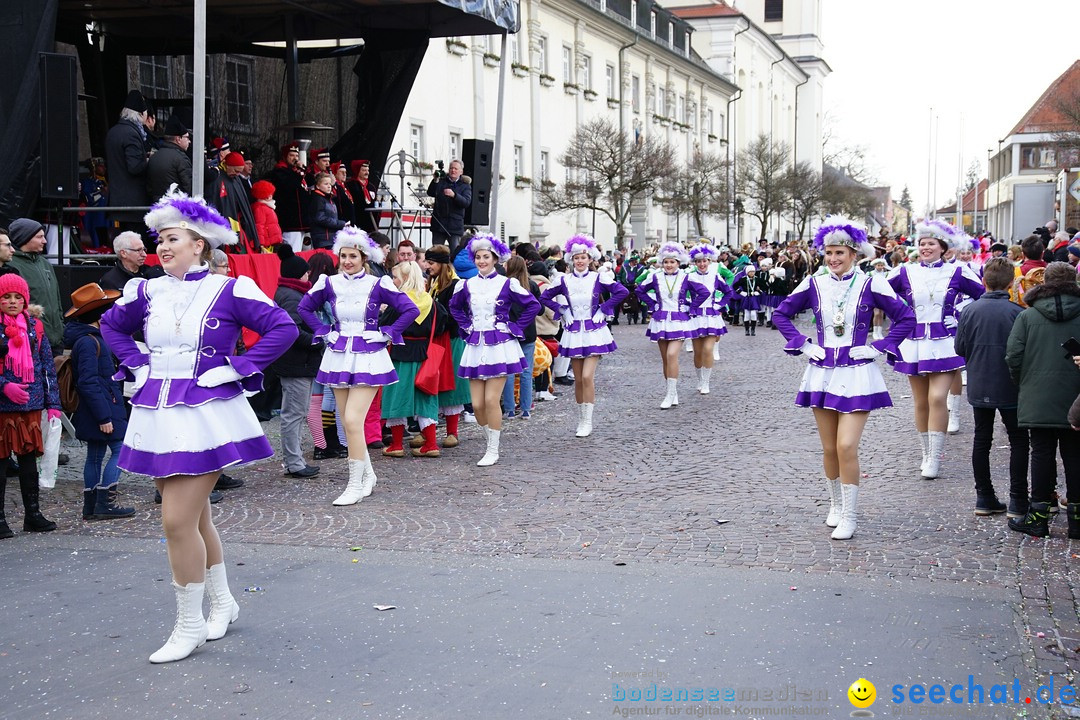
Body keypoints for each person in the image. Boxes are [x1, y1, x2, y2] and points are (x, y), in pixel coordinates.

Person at [100, 188, 297, 663]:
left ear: (199, 245)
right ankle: (223, 602)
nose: (163, 247)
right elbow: (109, 325)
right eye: (159, 240)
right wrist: (138, 362)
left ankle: (189, 623)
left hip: (207, 413)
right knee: (196, 516)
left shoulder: (229, 289)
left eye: (173, 239)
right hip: (158, 408)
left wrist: (239, 366)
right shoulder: (146, 289)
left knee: (175, 520)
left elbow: (284, 328)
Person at [774, 217, 916, 540]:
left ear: (854, 254)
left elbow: (906, 317)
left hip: (856, 372)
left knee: (846, 445)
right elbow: (780, 313)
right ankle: (835, 505)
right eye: (828, 253)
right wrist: (803, 344)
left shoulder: (871, 283)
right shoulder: (814, 282)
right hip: (822, 371)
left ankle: (851, 515)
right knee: (829, 448)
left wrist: (879, 347)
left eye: (839, 252)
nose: (833, 259)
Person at [297, 227, 420, 505]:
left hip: (369, 356)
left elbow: (411, 309)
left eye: (353, 255)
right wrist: (324, 331)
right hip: (339, 354)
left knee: (353, 420)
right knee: (347, 420)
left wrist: (385, 332)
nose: (347, 261)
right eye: (343, 256)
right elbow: (304, 308)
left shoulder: (378, 283)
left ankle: (354, 483)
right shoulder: (329, 283)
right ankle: (369, 475)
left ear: (363, 257)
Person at [887, 219, 984, 479]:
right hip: (914, 342)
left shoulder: (958, 271)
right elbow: (880, 294)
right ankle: (926, 454)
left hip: (944, 342)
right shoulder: (904, 272)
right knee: (920, 401)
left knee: (937, 398)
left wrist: (960, 314)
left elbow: (983, 295)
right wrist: (901, 314)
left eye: (931, 243)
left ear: (943, 247)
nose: (925, 247)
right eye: (922, 244)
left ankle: (936, 458)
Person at [448, 234, 541, 466]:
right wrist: (466, 326)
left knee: (491, 400)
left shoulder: (507, 283)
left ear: (495, 259)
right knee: (477, 404)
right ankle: (489, 437)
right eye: (478, 257)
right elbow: (454, 307)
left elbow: (533, 305)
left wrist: (515, 327)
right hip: (475, 346)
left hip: (500, 346)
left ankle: (493, 448)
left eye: (485, 257)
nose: (481, 261)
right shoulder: (466, 284)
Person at [1005, 262, 1080, 538]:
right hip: (1076, 396)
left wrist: (1024, 382)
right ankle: (1076, 519)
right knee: (1075, 455)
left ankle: (1038, 517)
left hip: (1038, 393)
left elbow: (1013, 356)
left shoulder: (1028, 316)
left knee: (1041, 453)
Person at [952, 257, 1027, 518]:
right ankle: (1018, 499)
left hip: (980, 380)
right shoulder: (1017, 312)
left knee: (982, 439)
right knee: (1018, 440)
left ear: (984, 281)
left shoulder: (970, 311)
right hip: (1010, 384)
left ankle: (984, 495)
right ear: (1010, 283)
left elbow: (960, 348)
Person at [539, 235, 627, 435]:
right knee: (578, 379)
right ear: (571, 259)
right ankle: (581, 418)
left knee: (587, 376)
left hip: (594, 332)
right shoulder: (564, 280)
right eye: (577, 257)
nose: (580, 261)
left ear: (590, 259)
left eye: (584, 257)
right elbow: (544, 296)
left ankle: (588, 420)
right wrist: (562, 310)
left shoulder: (599, 277)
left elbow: (621, 292)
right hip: (573, 332)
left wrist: (604, 308)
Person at [63, 283, 134, 521]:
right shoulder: (89, 342)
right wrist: (104, 416)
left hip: (99, 405)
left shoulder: (89, 338)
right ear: (99, 315)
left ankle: (92, 506)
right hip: (103, 407)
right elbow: (89, 382)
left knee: (94, 453)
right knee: (120, 450)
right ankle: (105, 501)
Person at [0, 274, 62, 539]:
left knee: (28, 462)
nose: (12, 302)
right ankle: (0, 519)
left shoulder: (35, 327)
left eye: (18, 297)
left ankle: (32, 514)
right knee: (1, 464)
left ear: (25, 300)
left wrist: (53, 403)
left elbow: (47, 365)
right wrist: (4, 385)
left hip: (31, 404)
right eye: (6, 297)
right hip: (3, 406)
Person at [635, 242, 710, 409]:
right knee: (665, 359)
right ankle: (672, 391)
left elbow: (704, 292)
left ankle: (669, 395)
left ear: (678, 262)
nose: (669, 265)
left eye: (672, 262)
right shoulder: (655, 276)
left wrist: (691, 307)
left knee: (671, 355)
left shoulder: (686, 277)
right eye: (666, 262)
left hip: (679, 320)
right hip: (661, 320)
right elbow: (640, 290)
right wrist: (652, 304)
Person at [381, 261, 443, 458]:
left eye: (396, 277)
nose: (393, 281)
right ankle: (431, 444)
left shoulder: (398, 302)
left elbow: (384, 325)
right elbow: (442, 325)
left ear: (406, 278)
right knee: (426, 398)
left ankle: (397, 445)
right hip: (425, 355)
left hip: (400, 354)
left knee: (396, 397)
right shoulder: (431, 303)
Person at [271, 245, 322, 479]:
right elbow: (292, 331)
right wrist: (318, 341)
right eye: (305, 273)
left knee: (296, 413)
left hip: (298, 363)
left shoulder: (290, 293)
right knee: (294, 414)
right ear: (297, 275)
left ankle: (295, 460)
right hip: (296, 364)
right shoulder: (291, 297)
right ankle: (294, 463)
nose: (308, 276)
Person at [424, 245, 471, 447]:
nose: (428, 266)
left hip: (451, 340)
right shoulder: (433, 283)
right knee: (432, 384)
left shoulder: (455, 285)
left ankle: (452, 431)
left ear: (442, 264)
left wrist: (438, 321)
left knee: (452, 386)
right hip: (436, 340)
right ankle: (429, 430)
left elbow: (457, 316)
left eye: (431, 263)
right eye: (427, 262)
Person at [7, 219, 64, 352]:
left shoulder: (46, 264)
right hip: (32, 340)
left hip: (57, 340)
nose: (44, 241)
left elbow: (57, 300)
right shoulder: (11, 266)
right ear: (24, 239)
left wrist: (61, 327)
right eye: (39, 237)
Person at [104, 90, 152, 245]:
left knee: (122, 244)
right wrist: (149, 159)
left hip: (119, 200)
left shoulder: (114, 131)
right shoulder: (131, 133)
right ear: (140, 113)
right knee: (135, 245)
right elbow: (135, 167)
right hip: (133, 204)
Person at [686, 243, 733, 395]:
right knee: (698, 352)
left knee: (708, 350)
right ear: (695, 262)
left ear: (710, 261)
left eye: (704, 261)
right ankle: (699, 379)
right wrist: (687, 305)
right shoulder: (689, 277)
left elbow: (728, 292)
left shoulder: (715, 276)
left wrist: (720, 304)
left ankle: (706, 382)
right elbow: (682, 295)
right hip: (696, 317)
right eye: (699, 261)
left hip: (712, 316)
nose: (702, 264)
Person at [501, 255, 542, 421]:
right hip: (528, 332)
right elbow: (540, 309)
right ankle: (526, 409)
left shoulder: (504, 285)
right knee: (526, 372)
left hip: (509, 332)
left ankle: (509, 410)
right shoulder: (531, 285)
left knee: (509, 372)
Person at [208, 154, 260, 253]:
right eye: (236, 171)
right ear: (227, 165)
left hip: (237, 225)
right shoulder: (216, 177)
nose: (237, 174)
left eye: (239, 172)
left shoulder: (236, 179)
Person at [268, 143, 309, 252]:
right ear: (285, 156)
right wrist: (299, 172)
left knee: (299, 253)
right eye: (291, 155)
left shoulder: (295, 172)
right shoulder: (280, 171)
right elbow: (290, 185)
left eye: (296, 156)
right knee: (292, 252)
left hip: (300, 223)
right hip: (290, 222)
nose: (295, 159)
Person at [427, 160, 472, 253]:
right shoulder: (442, 181)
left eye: (456, 169)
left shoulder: (465, 186)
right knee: (436, 253)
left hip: (454, 226)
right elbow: (431, 193)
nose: (453, 170)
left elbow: (466, 202)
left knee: (455, 253)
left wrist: (454, 195)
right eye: (451, 168)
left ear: (461, 172)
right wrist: (435, 180)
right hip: (439, 225)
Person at [99, 231, 164, 291]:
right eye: (138, 250)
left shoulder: (152, 273)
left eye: (144, 249)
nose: (144, 255)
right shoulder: (110, 281)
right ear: (123, 253)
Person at [146, 115, 192, 199]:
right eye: (187, 137)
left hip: (156, 207)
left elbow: (149, 189)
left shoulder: (154, 157)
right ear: (178, 139)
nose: (189, 141)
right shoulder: (181, 158)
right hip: (176, 207)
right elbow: (189, 188)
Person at [308, 172, 347, 250]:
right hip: (323, 240)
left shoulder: (329, 199)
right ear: (318, 186)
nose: (329, 186)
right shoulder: (318, 199)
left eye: (330, 184)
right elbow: (320, 218)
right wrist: (340, 223)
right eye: (326, 184)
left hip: (331, 239)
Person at [251, 180, 283, 250]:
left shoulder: (268, 207)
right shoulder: (261, 208)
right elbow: (259, 226)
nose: (271, 195)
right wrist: (261, 244)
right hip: (268, 244)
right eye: (269, 193)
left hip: (273, 242)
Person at [347, 160, 377, 233]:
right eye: (364, 170)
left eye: (368, 170)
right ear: (357, 171)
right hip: (357, 222)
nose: (367, 173)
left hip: (370, 223)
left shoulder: (371, 186)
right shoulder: (350, 185)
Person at [733, 264, 764, 336]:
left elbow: (764, 286)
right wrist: (741, 292)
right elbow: (735, 286)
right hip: (746, 297)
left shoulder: (757, 279)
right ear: (747, 272)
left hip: (753, 297)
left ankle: (753, 330)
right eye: (750, 272)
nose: (752, 273)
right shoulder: (743, 279)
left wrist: (758, 292)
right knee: (746, 314)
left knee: (753, 314)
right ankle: (747, 330)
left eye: (753, 271)